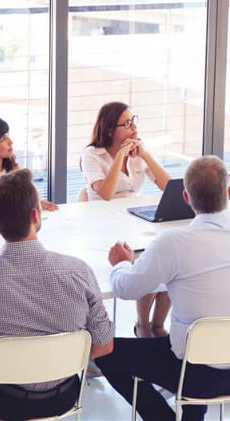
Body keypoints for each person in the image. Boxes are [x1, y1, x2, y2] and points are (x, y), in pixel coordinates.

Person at [95, 156, 230, 421]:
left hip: (196, 375)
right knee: (198, 337)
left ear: (186, 198)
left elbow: (125, 289)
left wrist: (121, 263)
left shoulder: (174, 243)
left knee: (105, 352)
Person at [0, 169, 114, 420]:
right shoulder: (78, 271)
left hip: (3, 402)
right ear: (36, 215)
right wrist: (58, 358)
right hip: (63, 397)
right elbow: (104, 345)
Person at [81, 101, 172, 338]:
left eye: (134, 121)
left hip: (137, 221)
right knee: (150, 261)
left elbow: (168, 186)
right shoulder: (91, 155)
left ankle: (158, 324)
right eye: (127, 123)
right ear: (110, 129)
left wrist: (147, 156)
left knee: (170, 257)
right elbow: (106, 194)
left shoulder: (138, 154)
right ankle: (143, 324)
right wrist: (120, 156)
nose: (134, 128)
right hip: (105, 225)